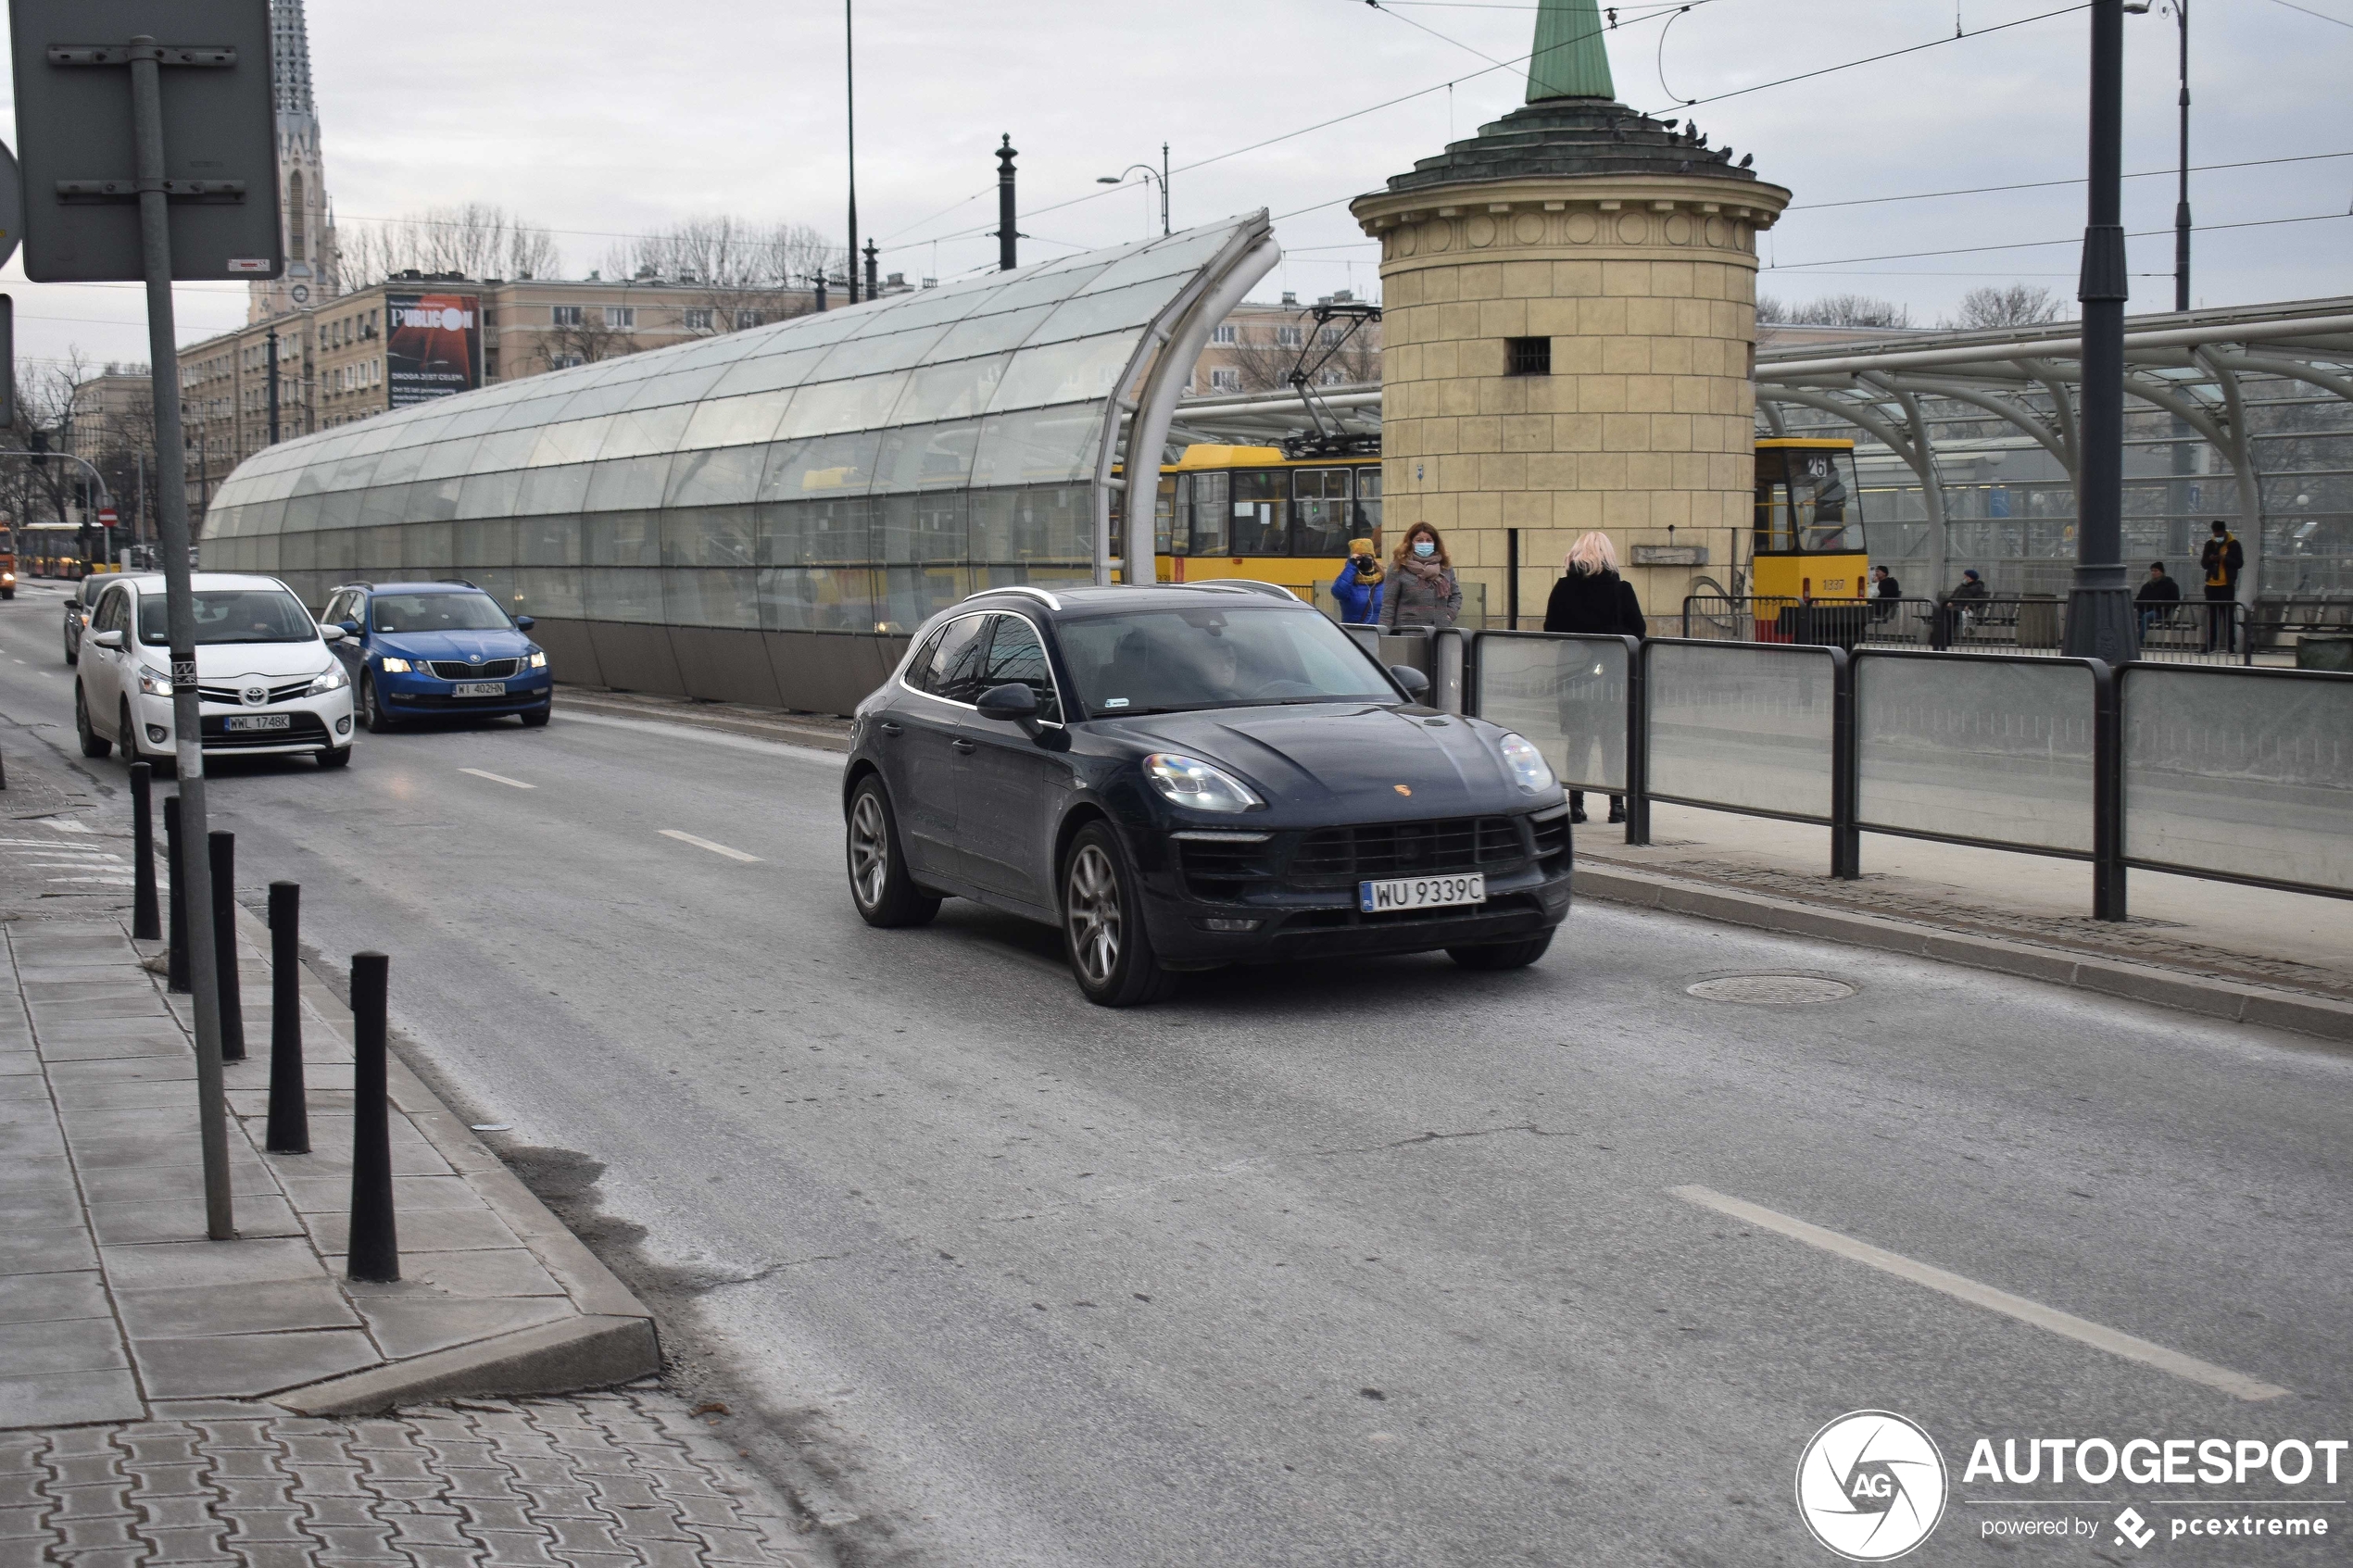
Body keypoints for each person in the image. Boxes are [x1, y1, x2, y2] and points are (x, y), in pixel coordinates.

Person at [1541, 532, 1645, 825]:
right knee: (1612, 739)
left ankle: (1576, 805)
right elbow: (1638, 631)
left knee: (1578, 739)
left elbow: (1550, 630)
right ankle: (1617, 805)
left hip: (1572, 674)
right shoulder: (1621, 590)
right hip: (1611, 674)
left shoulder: (1563, 589)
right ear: (1608, 556)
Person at [1379, 523, 1461, 629]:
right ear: (1411, 542)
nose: (1424, 543)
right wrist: (1383, 633)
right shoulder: (1398, 567)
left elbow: (1456, 595)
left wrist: (1448, 615)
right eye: (1419, 540)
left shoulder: (1445, 567)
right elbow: (1389, 604)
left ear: (1435, 543)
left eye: (1429, 540)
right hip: (1409, 633)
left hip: (1440, 632)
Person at [2198, 520, 2243, 653]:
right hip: (2212, 585)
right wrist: (2210, 560)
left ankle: (2230, 646)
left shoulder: (2234, 545)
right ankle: (2210, 644)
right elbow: (2204, 564)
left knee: (2228, 616)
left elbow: (2239, 563)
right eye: (2215, 534)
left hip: (2226, 585)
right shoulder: (2210, 544)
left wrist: (2225, 558)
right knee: (2212, 617)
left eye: (2219, 534)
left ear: (2224, 531)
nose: (2217, 537)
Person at [1330, 537, 1385, 624]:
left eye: (1367, 556)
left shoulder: (1383, 579)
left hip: (1379, 633)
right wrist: (1351, 566)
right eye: (1359, 557)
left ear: (1373, 558)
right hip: (1355, 632)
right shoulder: (1349, 580)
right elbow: (1338, 592)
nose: (1364, 560)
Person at [2135, 560, 2181, 636]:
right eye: (2152, 571)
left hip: (2160, 612)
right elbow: (2139, 599)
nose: (2153, 573)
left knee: (2147, 616)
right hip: (2145, 610)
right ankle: (2131, 637)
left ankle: (2138, 640)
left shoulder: (2170, 585)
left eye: (2156, 571)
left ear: (2162, 572)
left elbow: (2175, 600)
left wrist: (2163, 606)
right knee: (2133, 615)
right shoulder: (2147, 586)